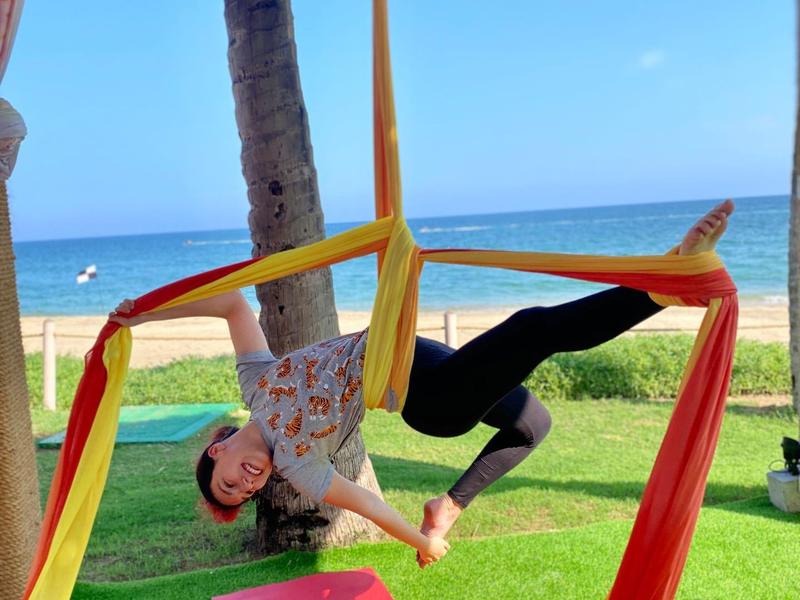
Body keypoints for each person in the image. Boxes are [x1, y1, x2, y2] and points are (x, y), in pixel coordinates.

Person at [109, 199, 734, 568]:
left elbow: (233, 308)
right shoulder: (299, 466)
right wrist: (420, 542)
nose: (249, 483)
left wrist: (144, 311)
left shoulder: (256, 383)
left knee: (532, 425)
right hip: (425, 399)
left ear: (217, 449)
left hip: (420, 353)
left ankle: (452, 502)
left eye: (230, 479)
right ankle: (664, 285)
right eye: (247, 493)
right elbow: (371, 505)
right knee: (532, 328)